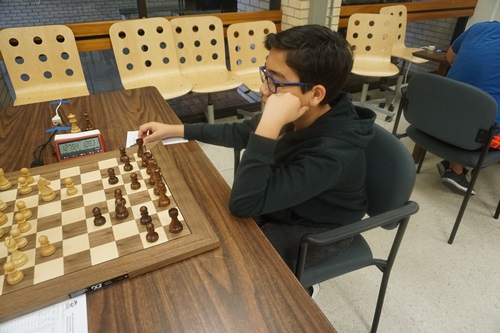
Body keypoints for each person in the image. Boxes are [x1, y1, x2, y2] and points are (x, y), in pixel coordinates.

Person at [139, 25, 376, 272]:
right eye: (266, 74)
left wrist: (270, 125)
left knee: (237, 263)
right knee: (211, 222)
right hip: (290, 202)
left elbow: (243, 204)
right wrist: (176, 130)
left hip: (320, 227)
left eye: (276, 81)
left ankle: (303, 290)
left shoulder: (332, 154)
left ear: (316, 94)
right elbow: (239, 132)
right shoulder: (305, 109)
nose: (263, 89)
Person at [438, 21, 500, 194]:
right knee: (484, 116)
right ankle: (455, 170)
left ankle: (452, 160)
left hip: (436, 118)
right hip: (478, 130)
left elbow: (450, 58)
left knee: (472, 103)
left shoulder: (480, 27)